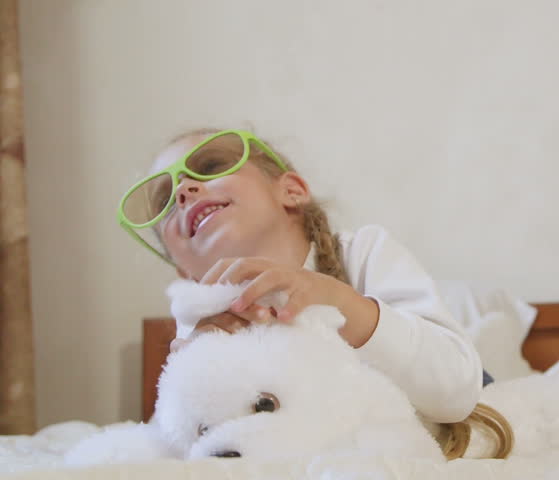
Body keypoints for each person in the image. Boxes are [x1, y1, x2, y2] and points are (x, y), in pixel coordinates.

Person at [117, 129, 485, 423]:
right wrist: (196, 379)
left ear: (292, 191)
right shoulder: (199, 324)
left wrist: (338, 301)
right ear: (186, 272)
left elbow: (455, 390)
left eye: (211, 167)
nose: (182, 190)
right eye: (165, 199)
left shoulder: (362, 252)